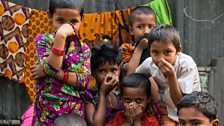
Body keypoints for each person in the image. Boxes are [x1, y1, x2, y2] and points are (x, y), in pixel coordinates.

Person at [30, 0, 92, 125]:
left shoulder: (84, 49)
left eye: (73, 22)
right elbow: (53, 66)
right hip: (46, 109)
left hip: (73, 111)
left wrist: (57, 74)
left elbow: (83, 81)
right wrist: (61, 36)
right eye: (60, 20)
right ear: (50, 17)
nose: (66, 27)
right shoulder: (43, 40)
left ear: (82, 19)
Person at [135, 24, 201, 125]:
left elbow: (181, 103)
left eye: (167, 52)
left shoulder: (186, 64)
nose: (161, 58)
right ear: (150, 51)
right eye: (155, 52)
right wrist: (149, 101)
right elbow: (136, 79)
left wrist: (171, 75)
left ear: (178, 50)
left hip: (190, 112)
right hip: (166, 110)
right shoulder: (150, 63)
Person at [85, 42, 122, 126]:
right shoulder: (88, 96)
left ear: (119, 71)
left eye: (113, 70)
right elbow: (96, 124)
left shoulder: (120, 96)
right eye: (102, 71)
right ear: (93, 73)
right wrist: (102, 94)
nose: (108, 75)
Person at [120, 6, 156, 76]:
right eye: (140, 27)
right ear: (131, 30)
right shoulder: (126, 48)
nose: (147, 32)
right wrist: (139, 48)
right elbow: (130, 73)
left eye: (151, 27)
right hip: (134, 85)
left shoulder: (158, 47)